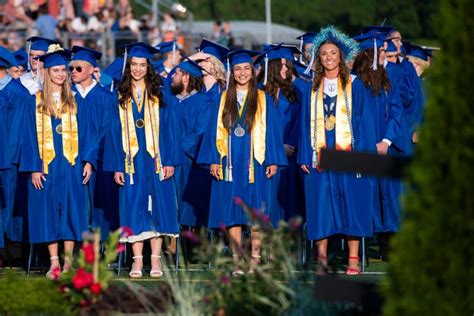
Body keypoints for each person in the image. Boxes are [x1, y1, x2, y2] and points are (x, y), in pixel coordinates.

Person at [198, 49, 287, 276]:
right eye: (237, 69)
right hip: (229, 163)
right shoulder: (222, 98)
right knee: (232, 212)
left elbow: (273, 133)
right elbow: (211, 133)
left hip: (255, 162)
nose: (242, 73)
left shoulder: (263, 99)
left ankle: (256, 258)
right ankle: (237, 259)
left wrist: (273, 160)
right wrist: (213, 161)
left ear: (253, 71)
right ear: (231, 72)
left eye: (246, 68)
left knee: (256, 211)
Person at [298, 26, 377, 275]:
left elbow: (365, 123)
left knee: (352, 204)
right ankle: (321, 260)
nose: (329, 57)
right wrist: (304, 155)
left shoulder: (355, 85)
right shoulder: (312, 88)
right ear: (318, 59)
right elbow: (303, 125)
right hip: (320, 156)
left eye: (333, 53)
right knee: (320, 207)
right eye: (324, 54)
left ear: (340, 56)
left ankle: (353, 259)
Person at [104, 43, 183, 278]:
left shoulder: (161, 93)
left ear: (149, 67)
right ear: (128, 68)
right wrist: (116, 165)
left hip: (157, 160)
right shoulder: (119, 96)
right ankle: (137, 262)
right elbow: (112, 133)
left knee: (158, 206)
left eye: (142, 65)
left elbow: (171, 129)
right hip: (131, 163)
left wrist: (170, 161)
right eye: (134, 65)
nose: (138, 69)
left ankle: (155, 261)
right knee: (132, 207)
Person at [19, 45, 96, 278]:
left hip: (71, 165)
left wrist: (88, 161)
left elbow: (89, 134)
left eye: (64, 69)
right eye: (56, 70)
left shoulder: (76, 101)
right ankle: (54, 261)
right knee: (48, 210)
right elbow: (28, 137)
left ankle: (69, 262)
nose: (62, 74)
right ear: (47, 72)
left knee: (73, 209)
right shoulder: (34, 102)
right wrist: (33, 167)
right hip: (46, 165)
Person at [352, 32, 407, 258]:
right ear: (371, 55)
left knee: (391, 195)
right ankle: (368, 239)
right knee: (370, 194)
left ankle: (389, 244)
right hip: (365, 149)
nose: (386, 54)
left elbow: (397, 111)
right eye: (382, 51)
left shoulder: (389, 79)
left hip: (388, 147)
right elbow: (353, 117)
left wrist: (385, 141)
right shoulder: (355, 83)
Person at [70, 46, 119, 240]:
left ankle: (102, 248)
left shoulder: (107, 98)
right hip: (71, 158)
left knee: (100, 205)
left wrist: (89, 157)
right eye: (71, 68)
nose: (73, 71)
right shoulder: (68, 96)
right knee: (74, 204)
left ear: (91, 70)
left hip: (100, 160)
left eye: (79, 68)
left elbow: (107, 131)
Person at [256, 44, 304, 225]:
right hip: (264, 156)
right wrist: (277, 148)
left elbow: (300, 122)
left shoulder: (293, 94)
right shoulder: (258, 94)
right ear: (272, 67)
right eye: (282, 66)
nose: (286, 69)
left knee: (287, 201)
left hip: (289, 157)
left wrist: (289, 145)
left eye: (287, 65)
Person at [170, 59, 212, 229]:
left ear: (186, 77)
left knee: (190, 212)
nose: (172, 76)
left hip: (189, 165)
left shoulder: (204, 102)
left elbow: (201, 133)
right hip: (169, 163)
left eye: (177, 73)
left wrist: (172, 145)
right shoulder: (170, 101)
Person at [0, 47, 29, 249]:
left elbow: (20, 132)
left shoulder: (18, 93)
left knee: (10, 202)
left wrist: (10, 157)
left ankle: (11, 249)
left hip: (9, 160)